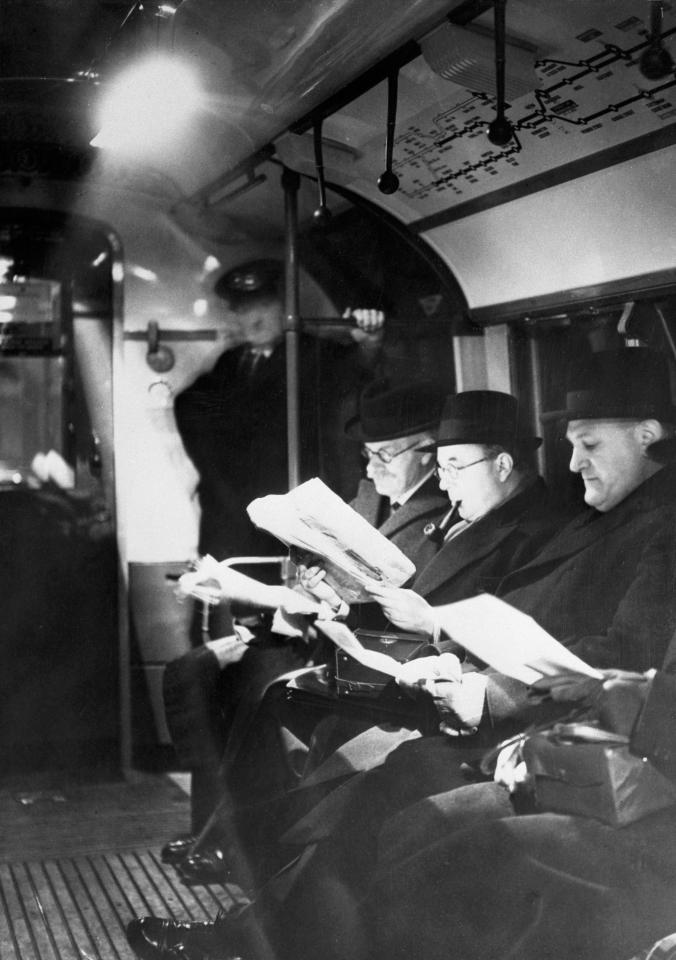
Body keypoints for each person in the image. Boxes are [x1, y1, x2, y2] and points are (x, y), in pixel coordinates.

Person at [125, 348, 676, 960]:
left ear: (648, 436)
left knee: (390, 798)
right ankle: (260, 930)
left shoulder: (659, 530)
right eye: (571, 445)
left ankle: (262, 937)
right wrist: (448, 645)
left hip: (549, 732)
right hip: (496, 697)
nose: (575, 465)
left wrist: (471, 672)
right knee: (364, 781)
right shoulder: (600, 518)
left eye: (590, 446)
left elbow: (617, 656)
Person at [158, 387, 563, 886]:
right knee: (243, 685)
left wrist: (429, 626)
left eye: (456, 467)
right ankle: (249, 856)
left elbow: (499, 626)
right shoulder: (467, 515)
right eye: (443, 469)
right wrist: (340, 596)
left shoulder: (532, 531)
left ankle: (258, 865)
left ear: (502, 465)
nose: (446, 482)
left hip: (449, 680)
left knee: (290, 702)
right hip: (406, 657)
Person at [159, 378, 449, 873]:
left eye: (386, 455)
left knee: (259, 686)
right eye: (368, 455)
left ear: (428, 453)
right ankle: (215, 828)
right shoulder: (367, 497)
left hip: (369, 647)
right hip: (322, 630)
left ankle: (247, 843)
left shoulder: (439, 513)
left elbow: (406, 610)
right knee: (197, 672)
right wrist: (314, 584)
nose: (373, 468)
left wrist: (326, 601)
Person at [174, 259, 385, 585]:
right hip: (230, 519)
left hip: (287, 518)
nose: (253, 318)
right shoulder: (231, 362)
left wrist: (368, 343)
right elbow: (187, 406)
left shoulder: (314, 354)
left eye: (262, 305)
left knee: (287, 617)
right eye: (243, 309)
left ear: (283, 305)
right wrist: (215, 475)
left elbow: (355, 376)